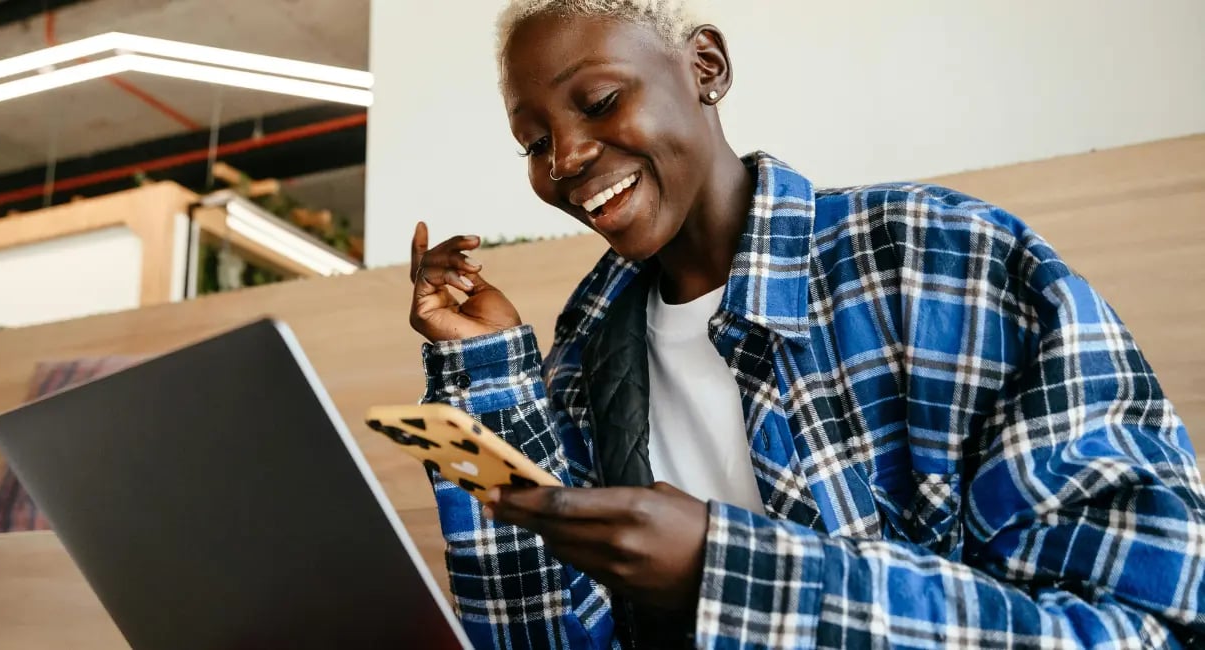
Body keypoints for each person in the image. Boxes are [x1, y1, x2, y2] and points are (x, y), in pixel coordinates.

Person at [406, 1, 1205, 648]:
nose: (564, 159)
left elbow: (1141, 627)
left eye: (601, 101)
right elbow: (542, 635)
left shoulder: (943, 259)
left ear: (705, 67)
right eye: (534, 142)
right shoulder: (586, 346)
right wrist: (489, 376)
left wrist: (729, 570)